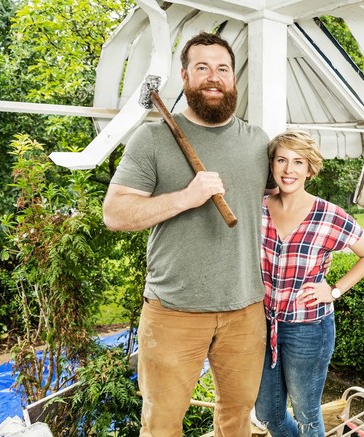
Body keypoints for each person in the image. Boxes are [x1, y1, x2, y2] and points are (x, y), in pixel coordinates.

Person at [102, 32, 272, 437]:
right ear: (184, 76)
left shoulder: (257, 142)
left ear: (233, 78)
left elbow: (279, 199)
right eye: (202, 68)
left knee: (237, 420)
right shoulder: (153, 138)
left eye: (222, 69)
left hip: (245, 310)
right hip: (173, 311)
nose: (213, 77)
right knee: (162, 424)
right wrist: (186, 197)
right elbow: (115, 213)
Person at [254, 130, 364, 437]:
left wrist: (333, 290)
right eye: (282, 160)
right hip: (263, 325)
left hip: (308, 328)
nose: (289, 170)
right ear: (272, 165)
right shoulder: (257, 208)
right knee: (267, 413)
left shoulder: (329, 215)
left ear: (310, 169)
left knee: (306, 413)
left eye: (298, 162)